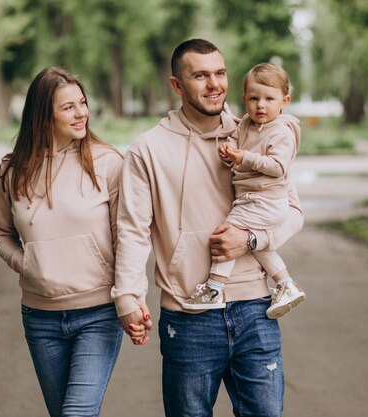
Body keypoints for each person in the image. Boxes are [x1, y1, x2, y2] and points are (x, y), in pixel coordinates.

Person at [111, 39, 304, 417]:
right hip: (188, 313)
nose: (214, 84)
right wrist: (127, 297)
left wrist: (249, 240)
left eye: (220, 73)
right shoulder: (148, 149)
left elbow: (291, 210)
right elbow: (132, 229)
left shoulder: (257, 134)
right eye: (200, 75)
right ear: (177, 85)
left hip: (255, 310)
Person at [0, 67, 136, 417]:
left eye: (83, 103)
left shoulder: (107, 162)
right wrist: (27, 265)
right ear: (44, 114)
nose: (81, 112)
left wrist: (131, 294)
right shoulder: (12, 170)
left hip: (98, 313)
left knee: (77, 413)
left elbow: (128, 236)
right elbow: (1, 233)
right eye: (68, 107)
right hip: (40, 317)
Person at [182, 62, 306, 319]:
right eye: (254, 98)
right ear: (244, 99)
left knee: (228, 235)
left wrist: (244, 158)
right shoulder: (247, 124)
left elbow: (277, 167)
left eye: (269, 99)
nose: (261, 105)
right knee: (254, 245)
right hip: (250, 199)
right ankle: (285, 284)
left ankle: (214, 287)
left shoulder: (282, 131)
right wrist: (228, 153)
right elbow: (236, 144)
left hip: (268, 200)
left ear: (284, 101)